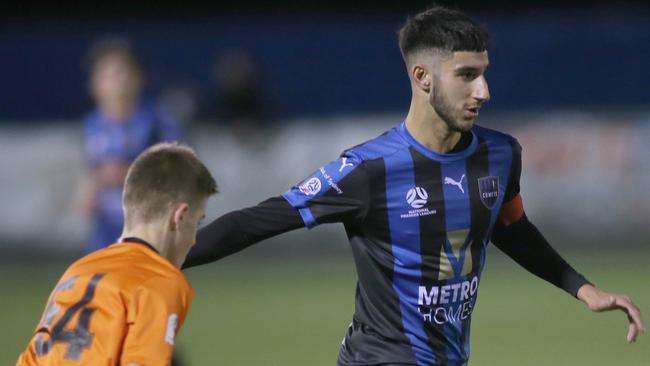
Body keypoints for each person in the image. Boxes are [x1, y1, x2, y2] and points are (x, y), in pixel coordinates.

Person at [184, 5, 645, 366]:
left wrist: (582, 288)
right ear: (421, 78)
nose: (483, 91)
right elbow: (259, 220)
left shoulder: (501, 155)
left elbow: (511, 227)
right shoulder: (369, 170)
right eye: (466, 75)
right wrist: (157, 257)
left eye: (484, 73)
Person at [17, 143, 217, 365]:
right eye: (197, 223)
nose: (195, 239)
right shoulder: (159, 281)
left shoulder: (78, 270)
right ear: (179, 216)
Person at [76, 37, 185, 252]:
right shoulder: (92, 125)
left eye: (123, 72)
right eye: (108, 74)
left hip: (147, 228)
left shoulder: (157, 120)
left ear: (138, 78)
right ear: (94, 84)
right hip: (106, 230)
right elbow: (95, 171)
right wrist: (89, 189)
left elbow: (184, 171)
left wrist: (130, 173)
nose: (118, 81)